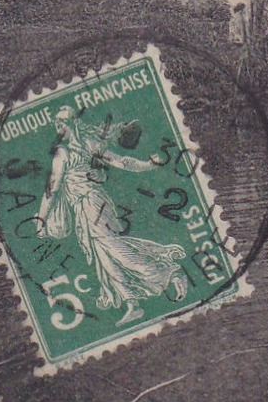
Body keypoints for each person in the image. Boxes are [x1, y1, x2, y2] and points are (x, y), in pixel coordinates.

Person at [37, 106, 189, 327]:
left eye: (62, 124)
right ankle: (132, 304)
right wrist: (148, 164)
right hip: (84, 209)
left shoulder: (66, 152)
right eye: (56, 125)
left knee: (115, 248)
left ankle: (170, 272)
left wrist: (41, 220)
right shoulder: (85, 146)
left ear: (72, 124)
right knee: (104, 255)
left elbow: (53, 188)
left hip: (92, 204)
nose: (58, 129)